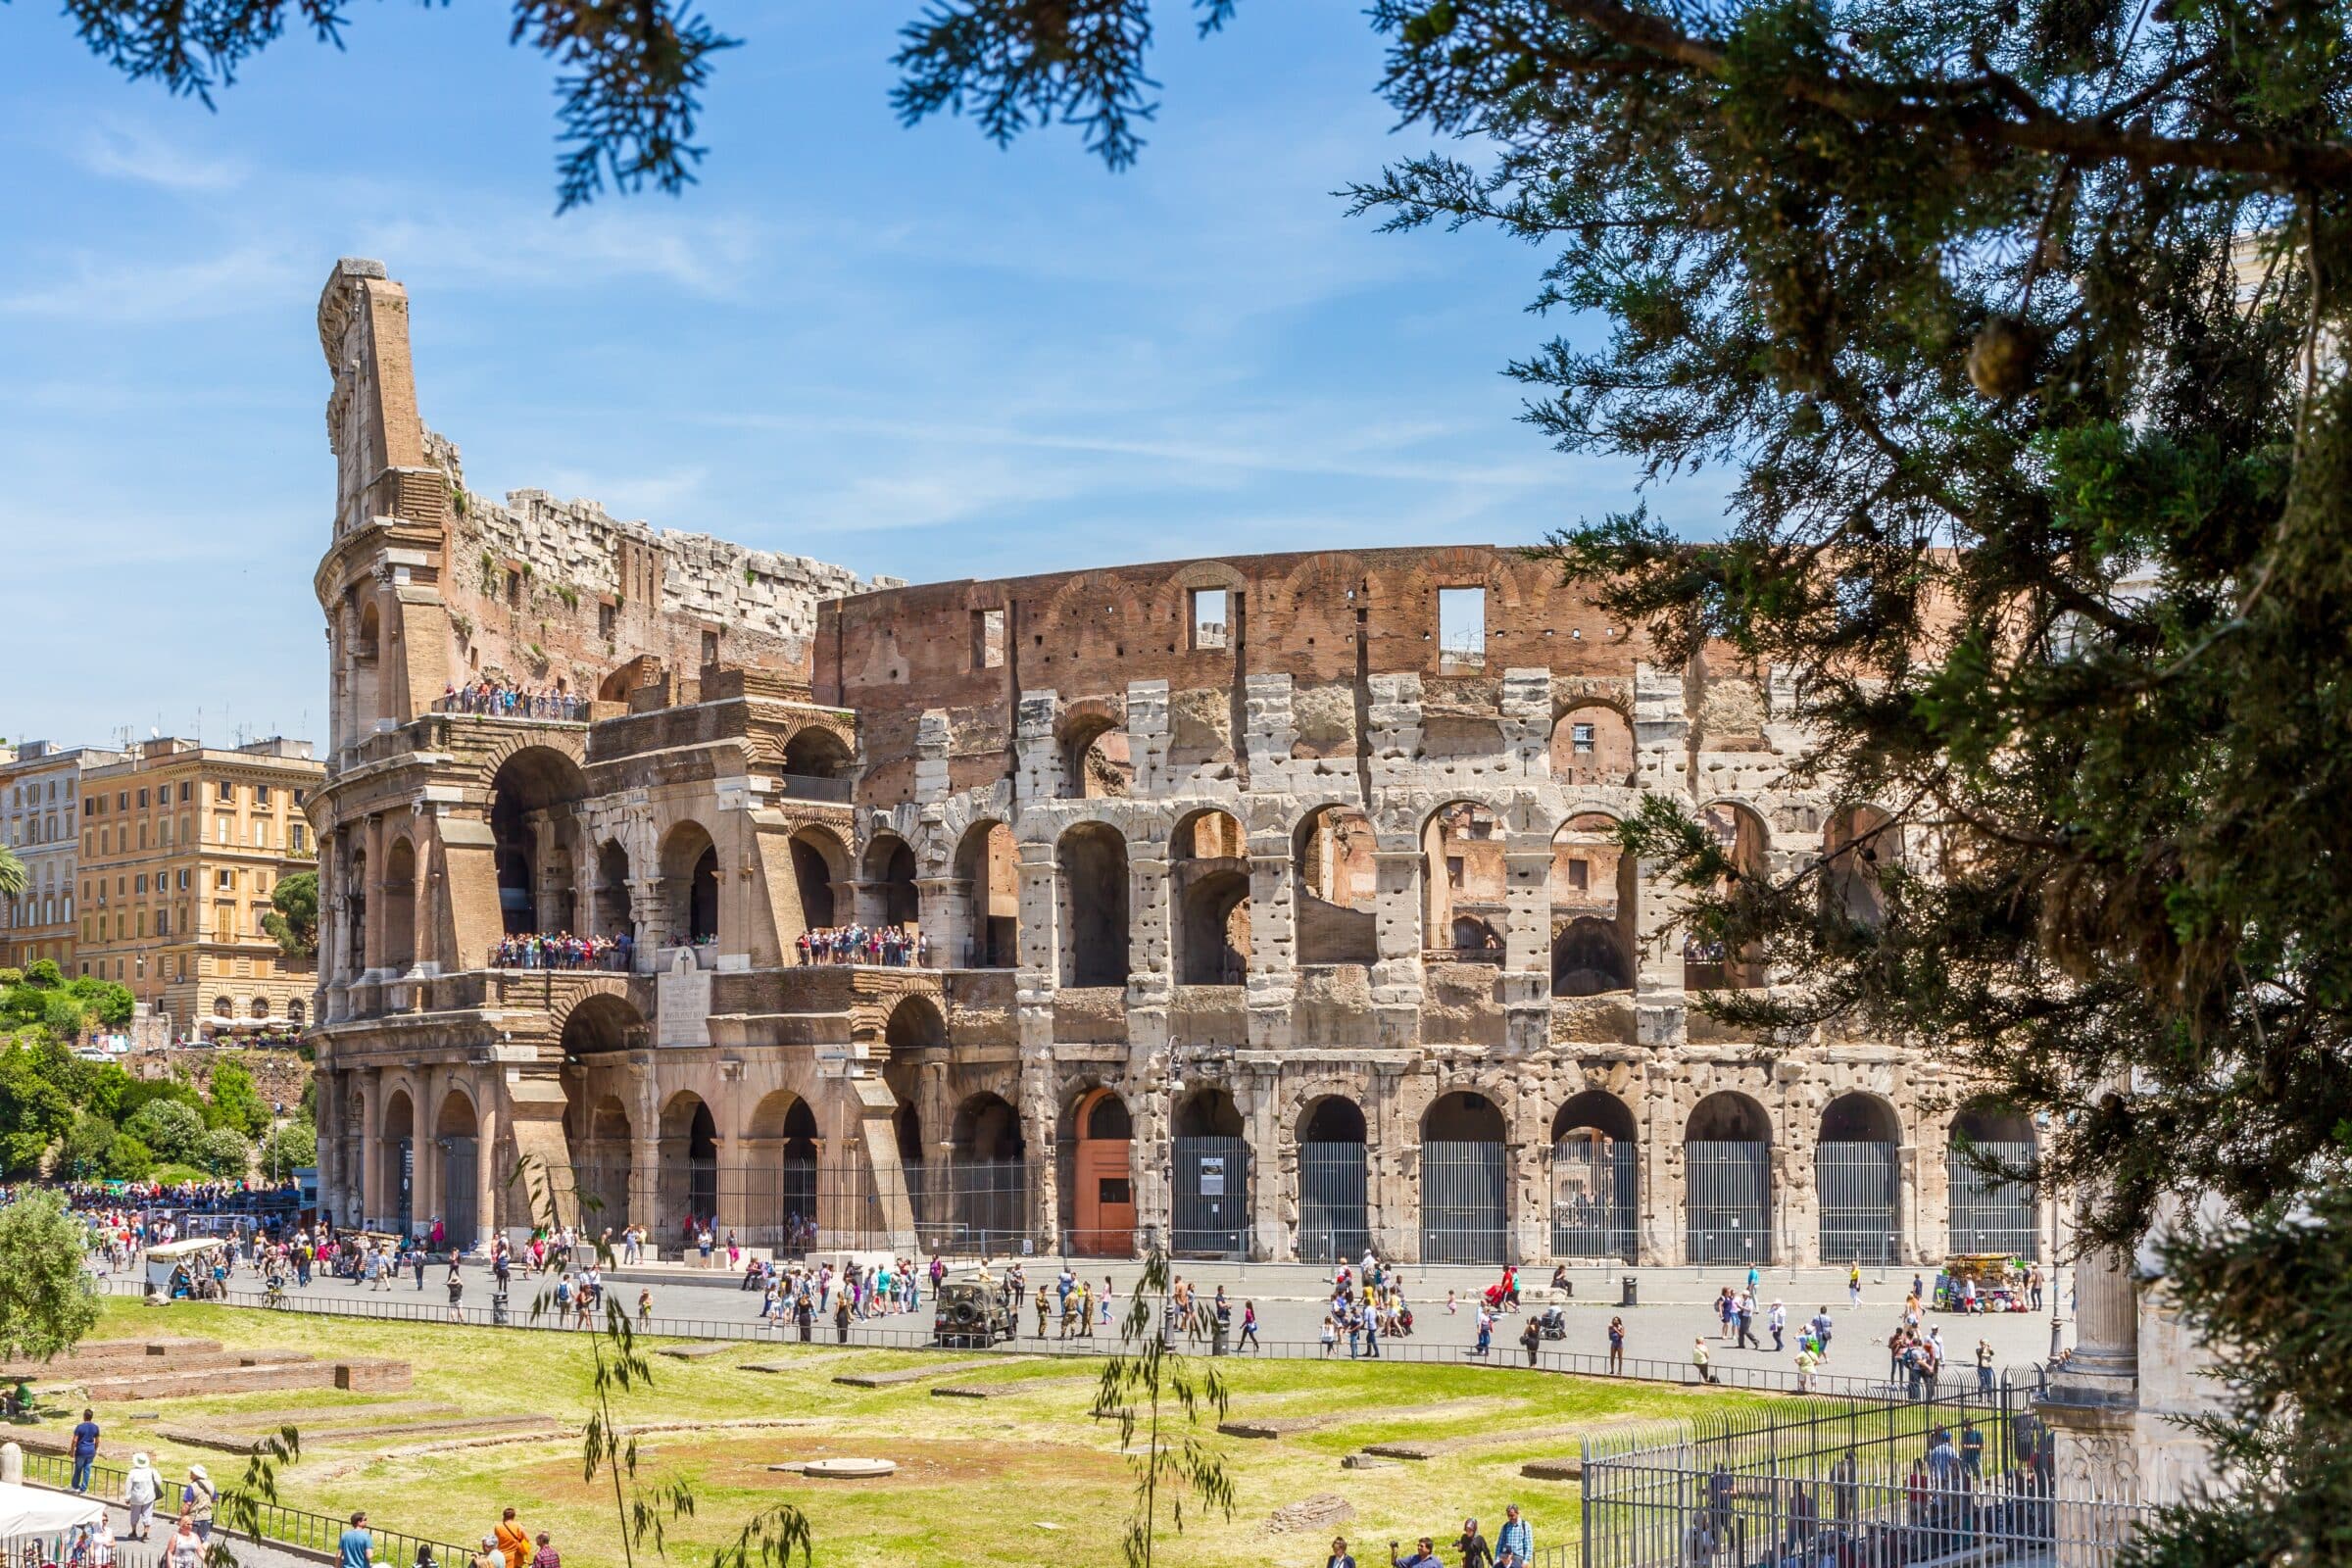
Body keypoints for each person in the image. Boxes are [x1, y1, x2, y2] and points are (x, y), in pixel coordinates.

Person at [122, 1451, 163, 1541]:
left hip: (136, 1498)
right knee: (148, 1514)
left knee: (134, 1514)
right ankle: (146, 1532)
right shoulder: (152, 1471)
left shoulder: (132, 1472)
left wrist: (127, 1497)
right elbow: (159, 1481)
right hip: (149, 1497)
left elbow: (128, 1485)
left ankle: (133, 1531)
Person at [70, 1406, 100, 1492]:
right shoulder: (95, 1427)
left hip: (81, 1451)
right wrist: (95, 1450)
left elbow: (74, 1440)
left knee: (78, 1469)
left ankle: (75, 1486)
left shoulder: (80, 1427)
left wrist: (72, 1451)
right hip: (90, 1451)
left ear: (84, 1416)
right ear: (91, 1417)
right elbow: (97, 1441)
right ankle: (84, 1488)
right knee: (87, 1470)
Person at [181, 1465, 215, 1541]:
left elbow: (187, 1504)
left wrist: (182, 1517)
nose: (190, 1474)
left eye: (192, 1472)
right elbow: (215, 1499)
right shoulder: (211, 1484)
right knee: (204, 1541)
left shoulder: (192, 1486)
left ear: (196, 1474)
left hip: (194, 1518)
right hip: (207, 1517)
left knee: (190, 1540)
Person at [1494, 1503, 1532, 1568]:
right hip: (1506, 1557)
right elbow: (1500, 1544)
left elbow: (1528, 1545)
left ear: (1517, 1513)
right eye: (1508, 1515)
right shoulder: (1505, 1527)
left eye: (1512, 1515)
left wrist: (1526, 1561)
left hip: (1518, 1558)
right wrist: (1497, 1559)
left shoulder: (1525, 1526)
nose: (1510, 1518)